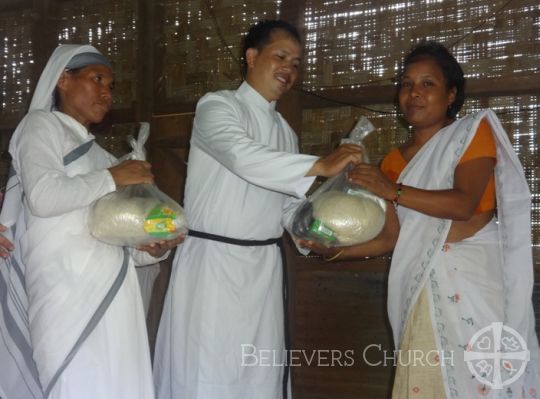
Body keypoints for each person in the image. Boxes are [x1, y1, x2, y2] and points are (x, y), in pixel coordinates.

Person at [302, 41, 540, 397]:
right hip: (420, 288)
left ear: (451, 94)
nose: (414, 93)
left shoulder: (472, 134)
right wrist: (330, 252)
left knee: (486, 382)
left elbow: (463, 204)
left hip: (475, 283)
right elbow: (391, 239)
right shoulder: (394, 163)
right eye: (407, 84)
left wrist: (392, 190)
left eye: (428, 84)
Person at [153, 20, 363, 399]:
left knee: (257, 377)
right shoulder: (217, 106)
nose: (289, 69)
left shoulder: (285, 131)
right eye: (280, 57)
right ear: (251, 58)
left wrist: (315, 234)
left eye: (296, 63)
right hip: (212, 268)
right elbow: (241, 155)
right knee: (205, 370)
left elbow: (288, 205)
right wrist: (318, 165)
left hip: (263, 272)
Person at [0, 44, 183, 399]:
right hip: (63, 291)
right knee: (73, 384)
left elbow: (116, 237)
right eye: (97, 79)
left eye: (111, 85)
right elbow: (44, 197)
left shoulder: (105, 158)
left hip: (115, 292)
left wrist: (153, 248)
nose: (106, 92)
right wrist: (114, 177)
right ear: (63, 80)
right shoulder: (40, 126)